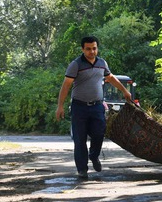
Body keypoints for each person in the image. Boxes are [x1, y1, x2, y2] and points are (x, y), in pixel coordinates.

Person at [55, 36, 132, 179]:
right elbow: (66, 85)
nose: (92, 51)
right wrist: (60, 106)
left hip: (97, 106)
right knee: (80, 140)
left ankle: (94, 155)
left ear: (97, 48)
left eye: (94, 48)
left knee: (99, 134)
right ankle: (82, 170)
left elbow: (110, 78)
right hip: (79, 107)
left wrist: (125, 91)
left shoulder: (102, 63)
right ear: (82, 49)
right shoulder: (76, 65)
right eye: (88, 49)